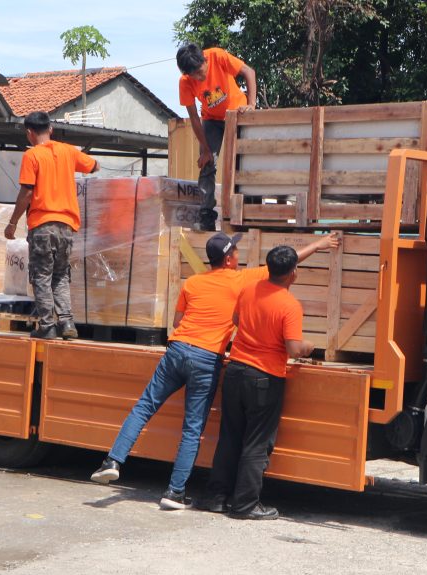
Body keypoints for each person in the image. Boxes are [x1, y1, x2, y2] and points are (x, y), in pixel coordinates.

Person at [90, 232, 337, 511]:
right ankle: (175, 492)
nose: (238, 256)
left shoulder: (192, 282)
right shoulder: (241, 280)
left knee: (144, 406)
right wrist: (318, 245)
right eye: (236, 252)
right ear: (229, 259)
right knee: (192, 427)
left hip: (177, 349)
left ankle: (112, 461)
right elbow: (284, 264)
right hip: (206, 358)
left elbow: (177, 322)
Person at [198, 245, 313, 520]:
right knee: (257, 443)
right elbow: (294, 349)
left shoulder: (249, 290)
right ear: (293, 273)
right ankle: (245, 505)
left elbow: (236, 319)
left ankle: (216, 497)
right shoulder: (289, 305)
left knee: (229, 437)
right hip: (264, 377)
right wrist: (309, 347)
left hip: (235, 370)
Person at [4, 111, 98, 340]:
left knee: (42, 275)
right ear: (51, 129)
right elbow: (95, 166)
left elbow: (27, 192)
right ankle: (67, 323)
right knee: (61, 275)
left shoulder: (32, 155)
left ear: (29, 133)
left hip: (42, 225)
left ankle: (47, 326)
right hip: (67, 226)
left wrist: (12, 222)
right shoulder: (68, 151)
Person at [177, 42, 257, 232]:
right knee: (207, 164)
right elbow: (194, 118)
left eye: (200, 71)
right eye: (194, 75)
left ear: (205, 60)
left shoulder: (217, 56)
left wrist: (252, 105)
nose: (199, 77)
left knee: (243, 164)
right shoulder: (185, 82)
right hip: (212, 120)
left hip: (237, 113)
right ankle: (206, 216)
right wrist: (205, 149)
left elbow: (249, 72)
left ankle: (247, 212)